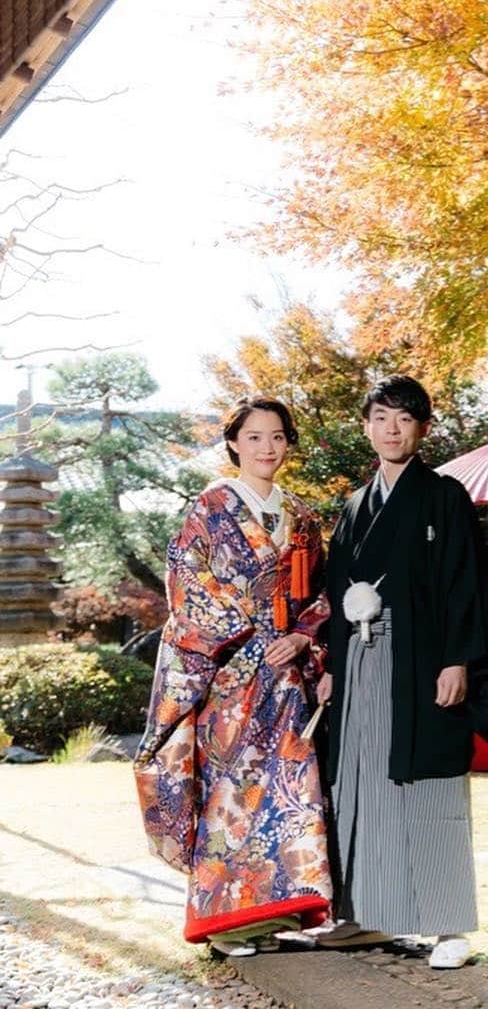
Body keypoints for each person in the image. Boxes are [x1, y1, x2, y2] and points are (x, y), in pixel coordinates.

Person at [315, 374, 488, 969]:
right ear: (367, 426)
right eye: (380, 417)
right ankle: (365, 914)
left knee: (427, 782)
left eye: (403, 418)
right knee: (358, 785)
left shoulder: (444, 495)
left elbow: (465, 582)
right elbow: (333, 592)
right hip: (359, 662)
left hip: (422, 660)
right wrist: (329, 662)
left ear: (423, 428)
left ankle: (448, 925)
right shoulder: (354, 505)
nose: (390, 429)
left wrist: (458, 660)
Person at [133, 396, 333, 957]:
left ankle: (281, 911)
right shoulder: (213, 506)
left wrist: (303, 637)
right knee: (229, 796)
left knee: (289, 795)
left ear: (288, 443)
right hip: (230, 674)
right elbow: (189, 581)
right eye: (254, 438)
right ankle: (222, 924)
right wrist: (249, 631)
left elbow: (320, 594)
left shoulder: (303, 517)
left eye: (276, 437)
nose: (266, 448)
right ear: (233, 444)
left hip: (286, 676)